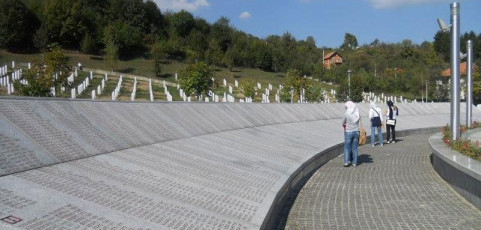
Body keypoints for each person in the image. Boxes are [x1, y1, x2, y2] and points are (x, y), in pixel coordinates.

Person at [342, 101, 360, 167]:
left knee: (347, 147)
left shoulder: (347, 113)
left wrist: (344, 124)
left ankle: (347, 162)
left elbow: (343, 122)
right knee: (355, 148)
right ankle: (354, 162)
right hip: (356, 132)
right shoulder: (357, 113)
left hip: (349, 132)